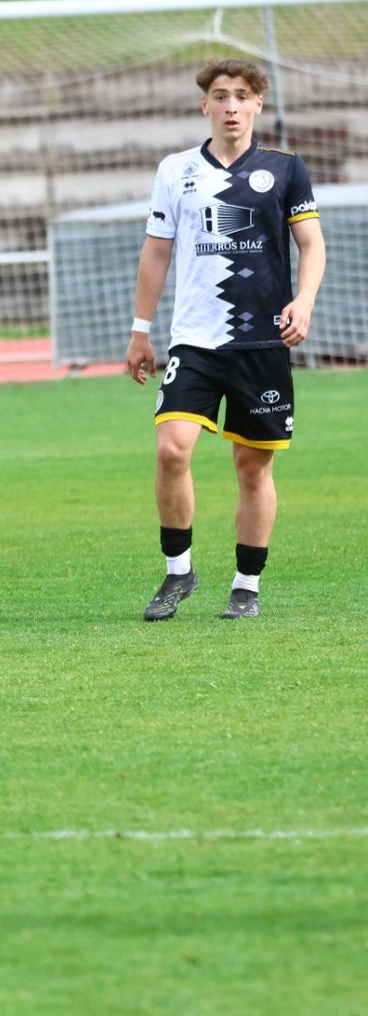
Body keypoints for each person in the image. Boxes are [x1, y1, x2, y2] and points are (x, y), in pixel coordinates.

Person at [126, 58, 325, 621]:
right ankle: (178, 574)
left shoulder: (284, 170)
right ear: (204, 104)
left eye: (242, 96)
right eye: (221, 95)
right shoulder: (176, 169)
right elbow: (156, 251)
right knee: (171, 450)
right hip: (194, 340)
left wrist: (303, 302)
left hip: (262, 343)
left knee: (252, 468)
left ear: (259, 104)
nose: (231, 106)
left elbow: (312, 244)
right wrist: (140, 331)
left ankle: (246, 585)